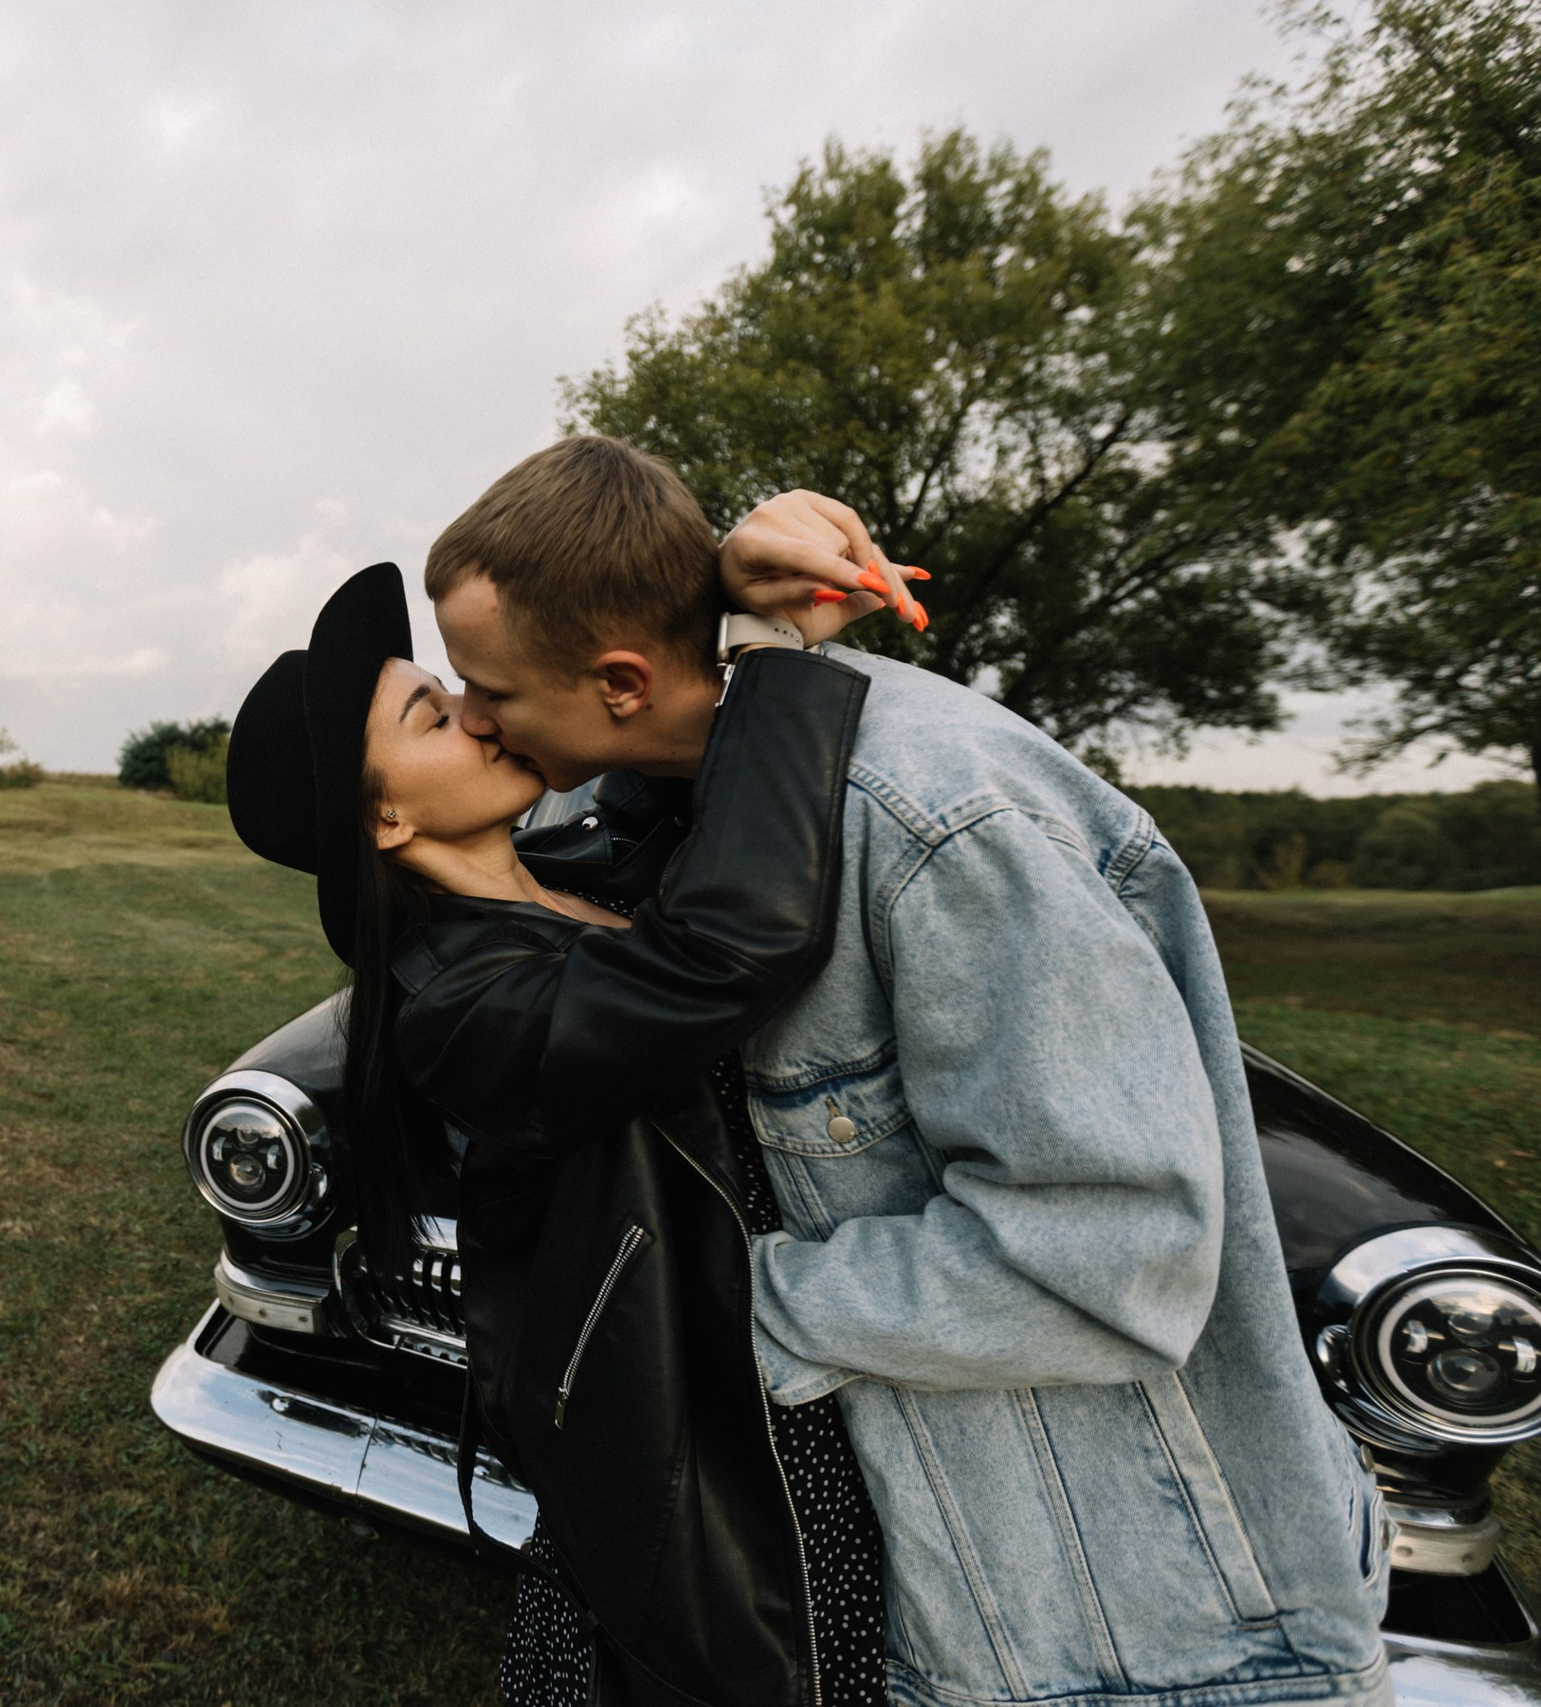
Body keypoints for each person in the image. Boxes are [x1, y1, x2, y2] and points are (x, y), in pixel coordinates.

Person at [422, 435, 1394, 1707]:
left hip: (1141, 1642)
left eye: (487, 688)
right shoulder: (641, 803)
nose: (471, 719)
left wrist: (706, 1317)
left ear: (614, 681)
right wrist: (726, 590)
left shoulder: (934, 819)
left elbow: (1115, 1254)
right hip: (933, 1596)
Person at [224, 558, 893, 1705]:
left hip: (797, 1376)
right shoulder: (457, 1004)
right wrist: (774, 665)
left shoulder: (577, 866)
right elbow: (731, 946)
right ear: (384, 815)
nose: (480, 714)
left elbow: (660, 755)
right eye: (434, 714)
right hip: (699, 1460)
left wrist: (743, 590)